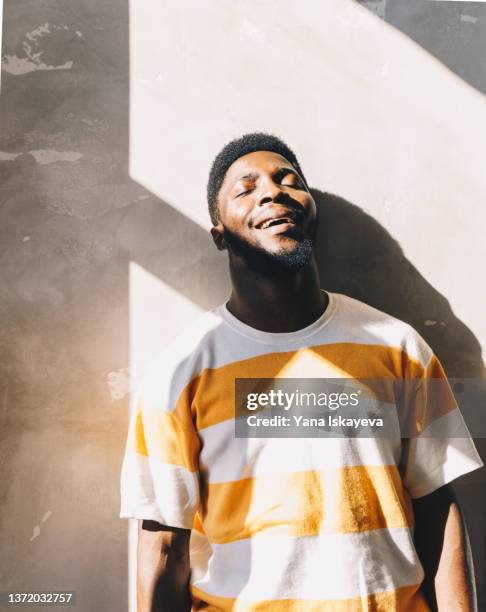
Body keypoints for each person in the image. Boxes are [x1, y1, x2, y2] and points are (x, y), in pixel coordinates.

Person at [120, 132, 483, 611]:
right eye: (246, 188)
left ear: (311, 211)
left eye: (288, 180)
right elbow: (164, 549)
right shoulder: (180, 372)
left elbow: (439, 509)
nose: (273, 191)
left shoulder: (398, 347)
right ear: (219, 233)